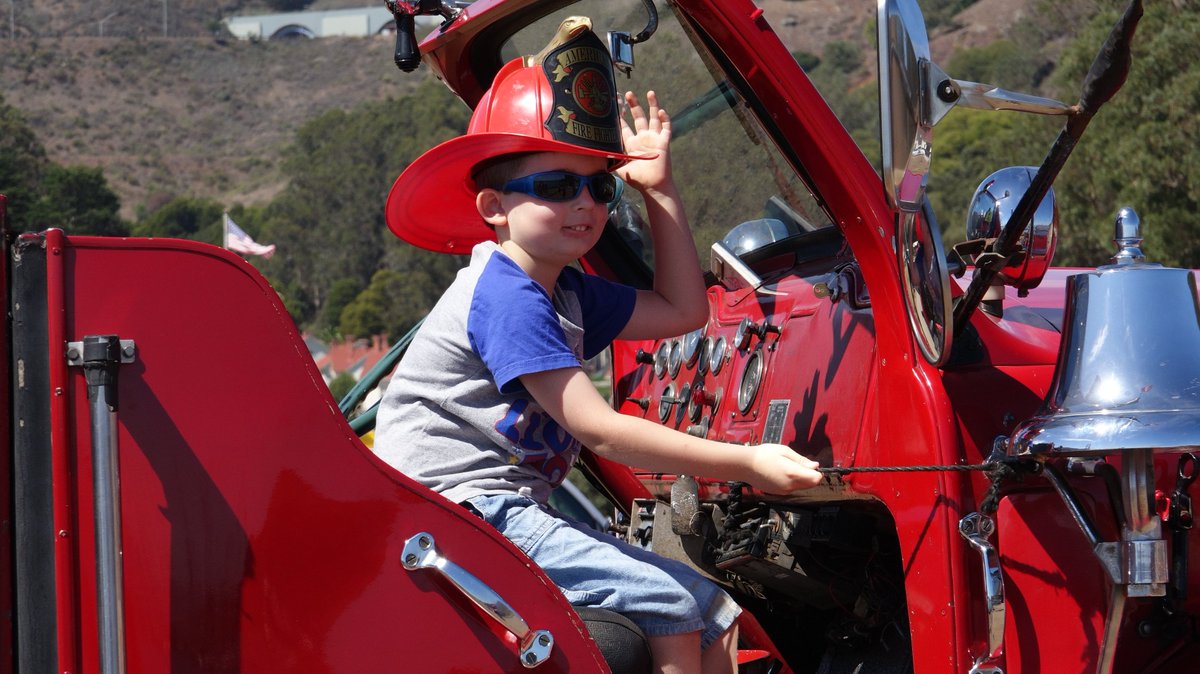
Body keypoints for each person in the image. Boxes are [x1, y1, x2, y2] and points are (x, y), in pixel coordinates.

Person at [374, 20, 822, 674]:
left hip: (505, 507)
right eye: (557, 186)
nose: (586, 202)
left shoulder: (568, 293)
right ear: (495, 207)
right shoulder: (506, 295)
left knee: (713, 608)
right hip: (458, 516)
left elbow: (683, 310)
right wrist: (748, 462)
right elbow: (601, 432)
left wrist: (658, 190)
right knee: (668, 603)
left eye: (599, 186)